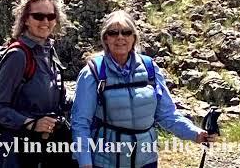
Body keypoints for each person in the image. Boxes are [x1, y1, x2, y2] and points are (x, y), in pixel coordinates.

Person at [71, 10, 217, 168]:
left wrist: (196, 134)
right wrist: (85, 162)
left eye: (126, 32)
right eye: (113, 33)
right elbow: (80, 123)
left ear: (134, 38)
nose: (120, 37)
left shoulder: (150, 69)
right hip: (106, 162)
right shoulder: (92, 73)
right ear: (105, 38)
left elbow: (167, 114)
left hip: (146, 160)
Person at [0, 0, 77, 168]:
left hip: (48, 146)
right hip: (18, 150)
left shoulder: (49, 50)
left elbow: (60, 98)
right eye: (38, 16)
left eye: (51, 16)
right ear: (25, 19)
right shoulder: (18, 55)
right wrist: (31, 123)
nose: (45, 22)